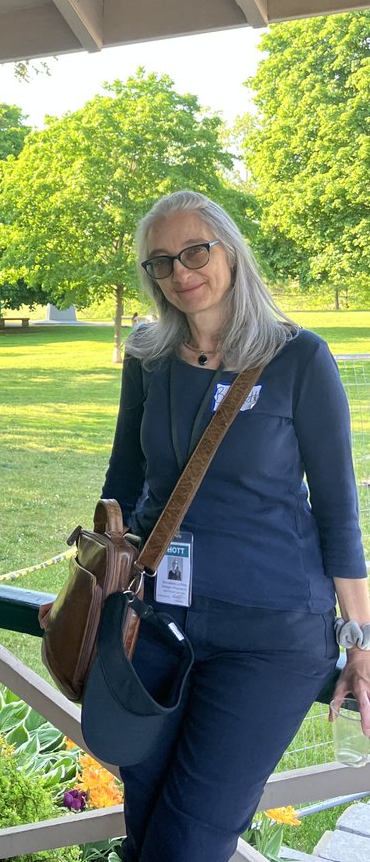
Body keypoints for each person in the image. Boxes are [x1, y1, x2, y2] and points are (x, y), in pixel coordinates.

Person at [98, 190, 370, 862]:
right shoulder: (148, 355)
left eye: (195, 250)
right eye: (161, 261)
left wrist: (360, 640)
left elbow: (338, 510)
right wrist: (94, 584)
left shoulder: (299, 358)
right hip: (159, 621)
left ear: (231, 251)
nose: (180, 271)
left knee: (189, 837)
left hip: (270, 634)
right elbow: (124, 483)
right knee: (144, 819)